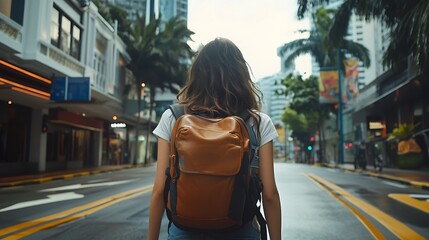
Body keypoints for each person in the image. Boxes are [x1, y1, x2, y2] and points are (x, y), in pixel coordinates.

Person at [148, 38, 282, 240]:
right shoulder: (258, 122)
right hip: (239, 231)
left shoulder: (173, 117)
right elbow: (270, 194)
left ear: (197, 75)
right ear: (240, 75)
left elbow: (159, 190)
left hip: (184, 232)